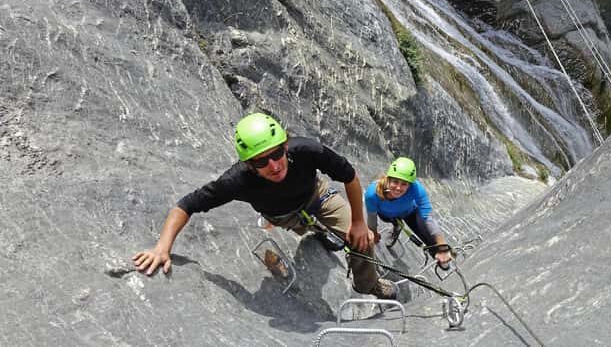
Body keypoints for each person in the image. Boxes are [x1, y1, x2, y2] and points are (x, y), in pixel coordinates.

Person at [132, 112, 397, 300]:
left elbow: (349, 176)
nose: (274, 165)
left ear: (284, 146)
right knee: (309, 228)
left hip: (318, 196)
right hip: (284, 216)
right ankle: (318, 231)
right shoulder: (236, 181)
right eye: (261, 162)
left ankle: (368, 285)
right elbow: (186, 205)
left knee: (363, 241)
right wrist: (162, 247)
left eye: (276, 154)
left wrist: (359, 224)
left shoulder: (306, 150)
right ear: (248, 164)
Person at [365, 157, 453, 268]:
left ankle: (443, 261)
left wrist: (441, 246)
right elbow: (372, 217)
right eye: (395, 182)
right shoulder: (372, 193)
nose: (398, 188)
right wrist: (374, 233)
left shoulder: (416, 189)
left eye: (404, 184)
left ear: (410, 185)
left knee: (430, 240)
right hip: (387, 215)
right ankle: (397, 226)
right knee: (388, 219)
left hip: (410, 213)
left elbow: (428, 218)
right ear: (388, 179)